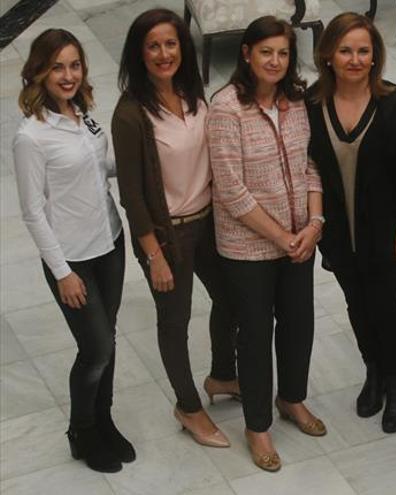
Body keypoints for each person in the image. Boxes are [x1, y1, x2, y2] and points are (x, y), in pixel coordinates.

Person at [113, 8, 236, 449]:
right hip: (169, 236)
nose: (164, 54)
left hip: (210, 223)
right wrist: (154, 254)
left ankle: (222, 375)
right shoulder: (130, 115)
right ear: (139, 54)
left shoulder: (191, 90)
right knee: (175, 322)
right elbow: (132, 195)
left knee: (232, 299)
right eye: (153, 46)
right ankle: (188, 406)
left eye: (171, 43)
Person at [13, 28, 134, 474]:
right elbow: (31, 212)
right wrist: (62, 271)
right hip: (73, 258)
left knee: (110, 338)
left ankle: (105, 420)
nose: (68, 75)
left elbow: (99, 168)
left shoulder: (82, 113)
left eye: (75, 65)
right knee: (96, 348)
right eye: (57, 67)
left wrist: (137, 159)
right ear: (40, 73)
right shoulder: (32, 137)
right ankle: (82, 431)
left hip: (111, 242)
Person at [207, 16, 325, 472]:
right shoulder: (225, 108)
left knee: (300, 324)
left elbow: (311, 165)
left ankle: (292, 399)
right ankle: (256, 427)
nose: (275, 61)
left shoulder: (297, 102)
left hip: (300, 239)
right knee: (255, 336)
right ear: (246, 54)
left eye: (283, 53)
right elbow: (231, 191)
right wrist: (282, 236)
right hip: (248, 247)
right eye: (266, 52)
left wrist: (314, 223)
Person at [306, 12, 396, 434]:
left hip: (389, 233)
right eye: (346, 50)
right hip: (339, 236)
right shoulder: (311, 104)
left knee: (387, 307)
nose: (355, 59)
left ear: (375, 55)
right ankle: (373, 371)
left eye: (363, 50)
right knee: (357, 305)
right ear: (328, 56)